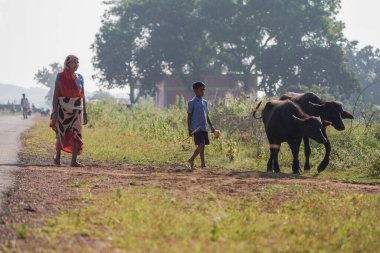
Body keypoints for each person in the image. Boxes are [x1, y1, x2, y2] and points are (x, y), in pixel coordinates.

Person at [50, 55, 88, 167]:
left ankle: (73, 161)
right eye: (74, 62)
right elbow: (56, 95)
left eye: (78, 62)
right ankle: (57, 158)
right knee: (61, 132)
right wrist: (54, 111)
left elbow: (82, 96)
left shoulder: (80, 77)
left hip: (78, 110)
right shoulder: (60, 76)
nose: (76, 64)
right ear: (67, 63)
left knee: (77, 133)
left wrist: (85, 112)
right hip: (63, 109)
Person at [187, 81, 216, 169]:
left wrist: (211, 127)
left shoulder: (205, 102)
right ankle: (203, 163)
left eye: (204, 90)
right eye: (201, 90)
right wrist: (189, 129)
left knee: (201, 145)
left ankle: (191, 159)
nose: (203, 92)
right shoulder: (191, 103)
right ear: (195, 91)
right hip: (196, 128)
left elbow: (206, 116)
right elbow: (189, 116)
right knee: (201, 144)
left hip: (204, 127)